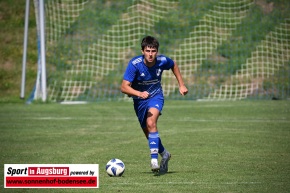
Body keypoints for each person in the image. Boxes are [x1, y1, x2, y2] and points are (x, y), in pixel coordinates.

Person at [120, 36, 188, 174]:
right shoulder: (135, 64)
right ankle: (165, 154)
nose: (150, 54)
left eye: (153, 51)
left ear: (157, 51)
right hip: (139, 101)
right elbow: (124, 87)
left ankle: (154, 161)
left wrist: (181, 85)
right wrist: (138, 94)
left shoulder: (162, 61)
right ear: (142, 51)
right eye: (148, 51)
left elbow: (173, 65)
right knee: (148, 132)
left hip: (156, 96)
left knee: (151, 122)